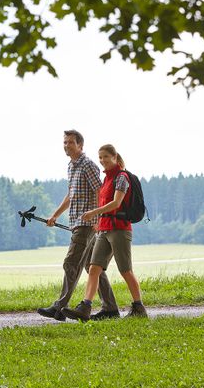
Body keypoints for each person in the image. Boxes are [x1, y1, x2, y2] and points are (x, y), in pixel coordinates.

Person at [36, 130, 120, 321]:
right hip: (77, 223)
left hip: (87, 224)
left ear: (80, 145)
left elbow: (101, 191)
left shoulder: (88, 165)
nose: (67, 146)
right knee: (93, 268)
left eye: (71, 143)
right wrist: (55, 215)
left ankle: (59, 307)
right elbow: (70, 195)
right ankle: (111, 309)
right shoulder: (71, 166)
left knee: (71, 263)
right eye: (65, 142)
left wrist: (99, 219)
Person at [62, 144, 147, 321]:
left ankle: (139, 307)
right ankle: (85, 307)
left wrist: (94, 212)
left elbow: (116, 203)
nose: (102, 161)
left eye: (106, 157)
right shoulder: (106, 179)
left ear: (115, 157)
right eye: (100, 157)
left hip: (119, 230)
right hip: (104, 229)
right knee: (94, 268)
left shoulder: (121, 177)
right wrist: (98, 223)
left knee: (125, 270)